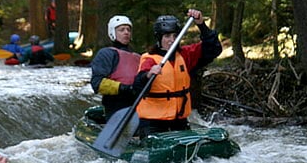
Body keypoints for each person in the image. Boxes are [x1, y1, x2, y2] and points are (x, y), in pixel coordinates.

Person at [133, 9, 222, 137]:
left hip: (179, 121)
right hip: (153, 123)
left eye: (175, 36)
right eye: (167, 36)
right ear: (159, 38)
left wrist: (201, 24)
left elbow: (214, 48)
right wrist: (148, 74)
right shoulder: (149, 59)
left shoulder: (185, 55)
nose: (171, 40)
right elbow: (137, 85)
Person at [89, 15, 140, 121]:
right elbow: (97, 83)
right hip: (116, 106)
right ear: (113, 32)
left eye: (128, 30)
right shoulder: (106, 54)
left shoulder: (137, 56)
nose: (126, 32)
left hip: (136, 104)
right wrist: (123, 88)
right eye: (121, 30)